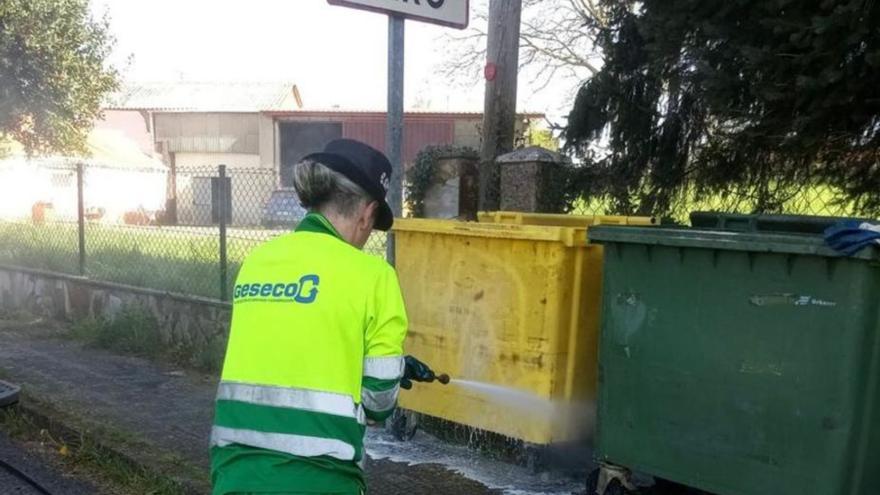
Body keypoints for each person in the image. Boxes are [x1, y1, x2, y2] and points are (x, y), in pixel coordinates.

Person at [210, 139, 438, 495]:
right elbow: (378, 402)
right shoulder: (374, 276)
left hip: (235, 473)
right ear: (367, 213)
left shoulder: (257, 262)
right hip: (320, 477)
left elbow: (293, 343)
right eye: (374, 222)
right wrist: (388, 374)